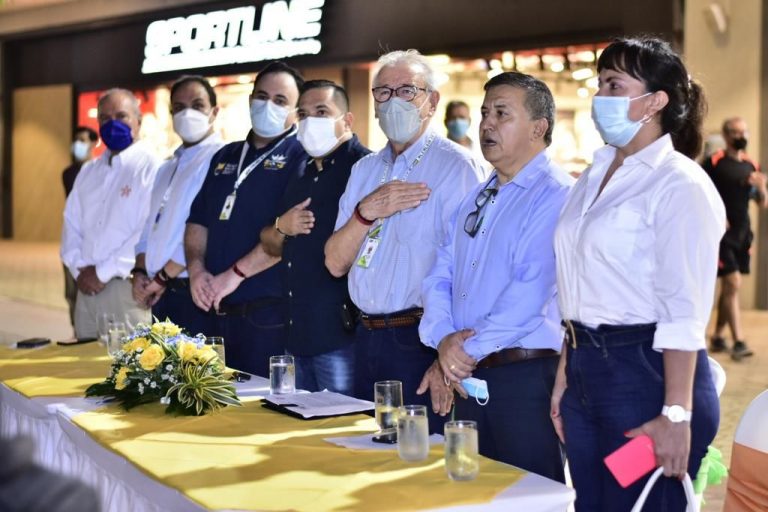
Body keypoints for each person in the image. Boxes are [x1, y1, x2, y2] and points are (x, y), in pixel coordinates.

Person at [550, 37, 725, 510]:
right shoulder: (594, 175)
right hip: (586, 367)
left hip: (645, 373)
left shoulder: (678, 183)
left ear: (655, 102)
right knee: (593, 504)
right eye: (599, 84)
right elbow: (577, 285)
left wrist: (676, 413)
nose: (599, 96)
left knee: (642, 505)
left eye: (614, 85)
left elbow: (683, 310)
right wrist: (566, 375)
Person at [420, 71, 571, 480]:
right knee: (472, 494)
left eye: (501, 114)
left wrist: (458, 355)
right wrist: (443, 339)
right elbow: (439, 275)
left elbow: (530, 292)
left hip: (524, 378)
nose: (487, 123)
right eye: (485, 113)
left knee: (529, 496)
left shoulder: (556, 194)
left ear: (538, 128)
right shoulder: (478, 196)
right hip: (470, 376)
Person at [325, 50, 482, 428]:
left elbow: (471, 271)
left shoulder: (456, 167)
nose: (393, 101)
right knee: (366, 446)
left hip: (421, 340)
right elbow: (334, 262)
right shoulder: (364, 170)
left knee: (419, 451)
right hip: (364, 336)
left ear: (432, 101)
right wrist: (366, 212)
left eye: (407, 91)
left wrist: (445, 358)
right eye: (383, 92)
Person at [185, 61, 306, 377]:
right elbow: (198, 221)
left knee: (260, 403)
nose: (268, 105)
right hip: (213, 308)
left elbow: (287, 234)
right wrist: (196, 270)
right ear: (250, 99)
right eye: (262, 96)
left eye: (280, 100)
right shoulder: (225, 155)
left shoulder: (301, 156)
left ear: (296, 112)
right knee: (210, 397)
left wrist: (234, 275)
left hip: (266, 315)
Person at [260, 80, 370, 395]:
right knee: (298, 416)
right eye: (303, 114)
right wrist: (282, 226)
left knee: (341, 419)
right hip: (296, 332)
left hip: (340, 337)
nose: (311, 122)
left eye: (321, 112)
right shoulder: (301, 171)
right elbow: (270, 242)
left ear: (347, 120)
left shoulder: (364, 167)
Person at [61, 89, 160, 338]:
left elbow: (147, 231)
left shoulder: (151, 167)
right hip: (86, 289)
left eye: (121, 116)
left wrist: (101, 273)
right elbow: (71, 223)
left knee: (127, 362)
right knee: (82, 359)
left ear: (138, 120)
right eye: (105, 118)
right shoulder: (88, 171)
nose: (112, 124)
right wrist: (79, 270)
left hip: (125, 289)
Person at [132, 76, 224, 336]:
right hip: (159, 290)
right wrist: (140, 272)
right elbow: (148, 226)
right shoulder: (167, 166)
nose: (188, 114)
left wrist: (163, 277)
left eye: (197, 105)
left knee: (193, 361)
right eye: (179, 108)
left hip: (191, 290)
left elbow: (205, 229)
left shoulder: (220, 160)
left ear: (214, 112)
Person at [703, 117, 768, 361]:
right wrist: (716, 216)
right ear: (726, 135)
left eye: (744, 132)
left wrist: (761, 187)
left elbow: (762, 203)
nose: (741, 136)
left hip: (743, 234)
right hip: (721, 234)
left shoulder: (752, 165)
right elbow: (701, 192)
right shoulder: (714, 163)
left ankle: (718, 336)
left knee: (729, 287)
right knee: (733, 283)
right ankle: (739, 341)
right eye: (735, 132)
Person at [61, 126, 98, 333]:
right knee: (72, 291)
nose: (78, 144)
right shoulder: (69, 173)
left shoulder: (100, 171)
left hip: (94, 239)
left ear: (93, 143)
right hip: (74, 238)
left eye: (82, 140)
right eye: (76, 140)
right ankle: (77, 331)